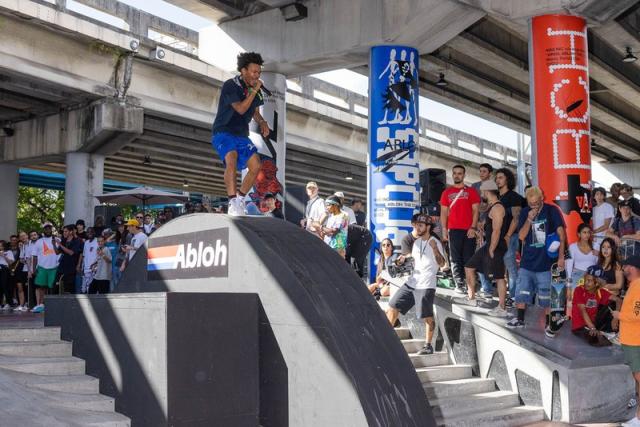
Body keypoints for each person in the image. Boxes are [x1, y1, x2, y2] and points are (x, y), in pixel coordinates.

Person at [211, 52, 269, 216]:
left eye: (259, 72)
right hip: (223, 130)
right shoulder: (231, 84)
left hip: (241, 134)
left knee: (256, 165)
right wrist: (254, 89)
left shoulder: (256, 91)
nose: (257, 75)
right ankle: (232, 202)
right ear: (243, 71)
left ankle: (240, 198)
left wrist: (263, 122)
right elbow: (241, 108)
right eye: (253, 72)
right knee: (232, 156)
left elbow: (254, 112)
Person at [385, 215, 446, 355]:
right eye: (416, 225)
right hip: (413, 282)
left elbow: (442, 264)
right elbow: (411, 258)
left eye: (420, 225)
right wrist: (401, 260)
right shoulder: (417, 242)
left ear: (428, 227)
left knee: (426, 316)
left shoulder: (435, 241)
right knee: (393, 305)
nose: (417, 228)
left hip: (426, 284)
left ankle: (428, 346)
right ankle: (388, 339)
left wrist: (435, 249)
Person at [507, 186, 566, 329]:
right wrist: (529, 219)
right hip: (527, 261)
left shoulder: (552, 211)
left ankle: (548, 323)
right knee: (521, 292)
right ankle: (519, 319)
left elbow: (562, 235)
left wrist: (561, 257)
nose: (533, 206)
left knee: (546, 296)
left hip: (546, 263)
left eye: (536, 203)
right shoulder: (525, 212)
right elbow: (521, 236)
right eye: (530, 203)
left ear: (542, 198)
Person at [464, 180, 509, 315]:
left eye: (482, 192)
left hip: (495, 246)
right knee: (469, 266)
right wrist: (482, 227)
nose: (481, 194)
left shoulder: (497, 208)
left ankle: (502, 307)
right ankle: (471, 297)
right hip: (489, 244)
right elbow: (491, 227)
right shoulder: (492, 206)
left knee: (500, 276)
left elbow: (497, 230)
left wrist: (491, 249)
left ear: (487, 191)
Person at [439, 165, 480, 294]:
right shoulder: (446, 193)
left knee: (468, 257)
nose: (457, 175)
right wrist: (444, 230)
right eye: (455, 173)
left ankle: (470, 285)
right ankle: (459, 283)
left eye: (460, 173)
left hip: (469, 230)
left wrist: (473, 227)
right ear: (452, 175)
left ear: (464, 175)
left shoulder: (471, 191)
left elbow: (476, 211)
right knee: (455, 257)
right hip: (453, 229)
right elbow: (443, 213)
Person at [612, 255, 640, 426]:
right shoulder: (633, 286)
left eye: (626, 266)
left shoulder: (638, 287)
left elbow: (637, 314)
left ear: (634, 267)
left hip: (635, 341)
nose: (623, 269)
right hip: (631, 340)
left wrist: (618, 315)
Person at [495, 167, 524, 305]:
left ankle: (514, 296)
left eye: (500, 177)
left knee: (511, 268)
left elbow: (516, 218)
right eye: (497, 177)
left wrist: (507, 235)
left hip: (510, 237)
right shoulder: (498, 198)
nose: (497, 180)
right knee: (503, 268)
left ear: (507, 179)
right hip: (499, 237)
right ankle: (511, 295)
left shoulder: (514, 197)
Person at [571, 265, 620, 346]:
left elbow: (619, 300)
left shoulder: (600, 292)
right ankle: (607, 335)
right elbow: (583, 311)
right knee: (595, 340)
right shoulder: (579, 290)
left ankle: (610, 333)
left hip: (594, 324)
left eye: (589, 281)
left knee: (613, 304)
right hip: (580, 327)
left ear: (597, 283)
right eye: (585, 280)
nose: (586, 283)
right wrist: (592, 328)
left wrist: (616, 318)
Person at [31, 223, 60, 313]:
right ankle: (41, 305)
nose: (48, 230)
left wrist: (54, 244)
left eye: (49, 228)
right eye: (46, 228)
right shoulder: (39, 241)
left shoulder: (57, 240)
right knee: (42, 287)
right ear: (43, 230)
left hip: (54, 267)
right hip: (42, 267)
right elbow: (34, 256)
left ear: (51, 229)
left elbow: (59, 252)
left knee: (52, 287)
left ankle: (52, 305)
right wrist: (34, 268)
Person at [566, 224, 599, 289]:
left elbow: (600, 264)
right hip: (577, 276)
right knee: (576, 298)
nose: (587, 235)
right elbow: (568, 267)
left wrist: (600, 255)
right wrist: (568, 285)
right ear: (579, 234)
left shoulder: (596, 246)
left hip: (592, 276)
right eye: (584, 232)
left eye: (589, 232)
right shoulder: (572, 247)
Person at [57, 225, 83, 294]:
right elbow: (57, 252)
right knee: (60, 283)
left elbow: (71, 252)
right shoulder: (63, 240)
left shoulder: (77, 240)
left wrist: (60, 245)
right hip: (63, 266)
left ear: (71, 232)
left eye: (66, 231)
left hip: (72, 266)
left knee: (70, 286)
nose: (64, 233)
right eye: (63, 231)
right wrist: (54, 244)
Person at [78, 227, 98, 294]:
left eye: (91, 232)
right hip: (86, 268)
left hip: (94, 269)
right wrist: (82, 267)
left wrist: (96, 265)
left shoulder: (98, 241)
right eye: (88, 232)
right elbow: (84, 255)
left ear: (94, 233)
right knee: (85, 288)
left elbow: (100, 255)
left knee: (93, 287)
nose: (89, 233)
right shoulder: (86, 242)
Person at [13, 231, 29, 311]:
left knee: (27, 287)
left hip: (28, 268)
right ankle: (21, 304)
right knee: (19, 287)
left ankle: (27, 303)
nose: (23, 237)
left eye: (24, 235)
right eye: (21, 236)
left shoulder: (32, 244)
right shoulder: (20, 246)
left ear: (27, 236)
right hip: (20, 268)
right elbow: (21, 259)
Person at [0, 240, 15, 310]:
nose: (0, 247)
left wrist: (3, 256)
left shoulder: (8, 252)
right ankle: (1, 303)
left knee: (5, 286)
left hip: (5, 269)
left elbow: (11, 263)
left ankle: (8, 303)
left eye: (1, 245)